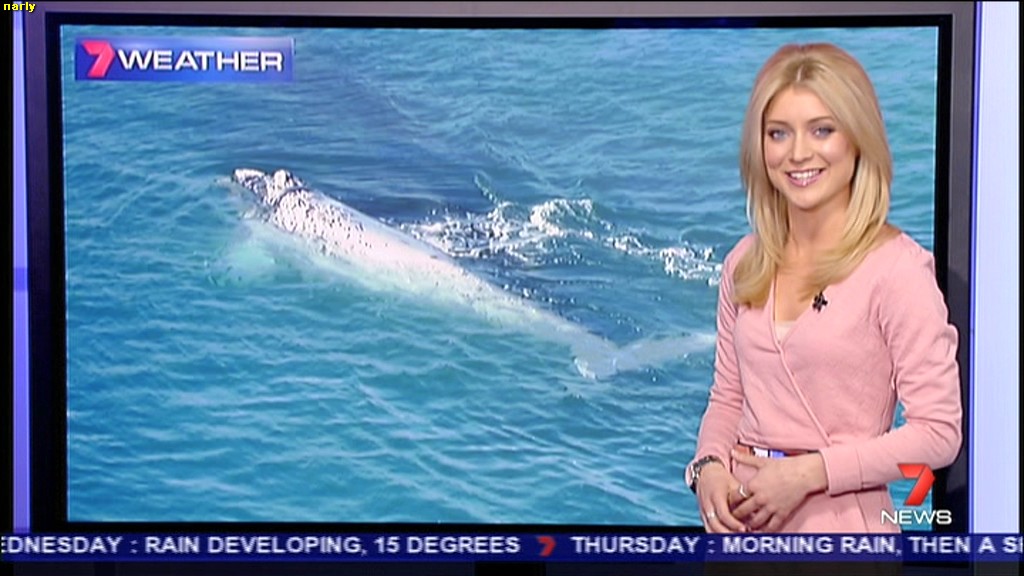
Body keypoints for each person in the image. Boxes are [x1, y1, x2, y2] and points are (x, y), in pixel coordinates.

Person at [684, 43, 962, 534]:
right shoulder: (744, 263)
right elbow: (727, 397)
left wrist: (810, 474)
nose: (797, 153)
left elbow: (938, 434)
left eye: (822, 130)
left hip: (843, 536)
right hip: (741, 532)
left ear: (857, 139)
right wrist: (707, 465)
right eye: (778, 133)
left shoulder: (898, 270)